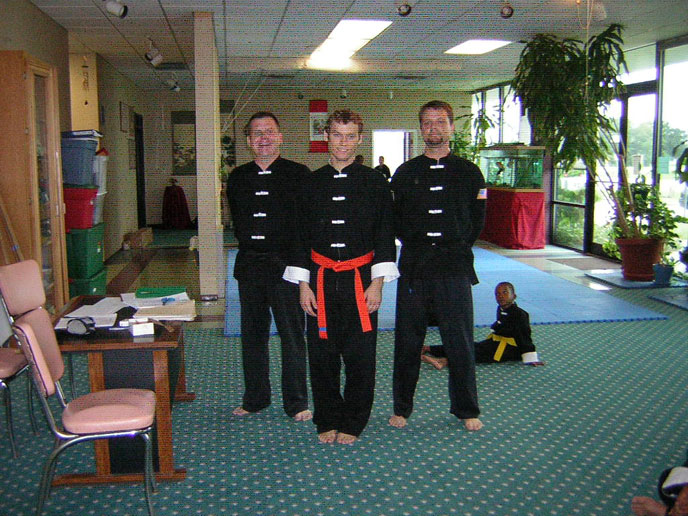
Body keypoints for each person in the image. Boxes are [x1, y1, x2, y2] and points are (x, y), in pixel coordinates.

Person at [285, 109, 398, 445]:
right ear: (326, 137)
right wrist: (303, 284)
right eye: (336, 134)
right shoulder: (309, 183)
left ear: (360, 139)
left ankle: (354, 420)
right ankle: (327, 417)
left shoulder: (375, 183)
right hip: (320, 278)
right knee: (322, 355)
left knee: (360, 355)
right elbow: (299, 236)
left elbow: (384, 233)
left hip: (361, 279)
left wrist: (377, 283)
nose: (343, 143)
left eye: (350, 136)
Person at [389, 100, 486, 432]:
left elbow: (476, 221)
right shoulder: (405, 173)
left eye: (441, 122)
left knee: (460, 342)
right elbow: (396, 220)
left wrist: (452, 246)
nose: (434, 128)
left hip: (454, 267)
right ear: (421, 129)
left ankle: (466, 408)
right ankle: (402, 407)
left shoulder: (470, 172)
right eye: (428, 123)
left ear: (452, 127)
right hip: (415, 267)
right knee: (407, 341)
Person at [226, 111, 312, 422]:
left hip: (286, 268)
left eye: (269, 131)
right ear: (249, 141)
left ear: (280, 137)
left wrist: (302, 272)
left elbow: (306, 228)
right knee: (252, 337)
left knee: (292, 336)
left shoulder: (299, 174)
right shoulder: (238, 177)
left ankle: (296, 402)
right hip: (250, 266)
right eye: (257, 133)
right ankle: (256, 398)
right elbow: (239, 221)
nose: (264, 138)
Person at [421, 282, 542, 368]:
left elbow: (525, 338)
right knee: (468, 346)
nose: (500, 296)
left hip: (510, 350)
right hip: (495, 342)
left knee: (477, 354)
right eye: (497, 294)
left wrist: (531, 357)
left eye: (505, 292)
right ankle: (429, 349)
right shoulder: (501, 309)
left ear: (514, 296)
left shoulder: (520, 315)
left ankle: (444, 361)